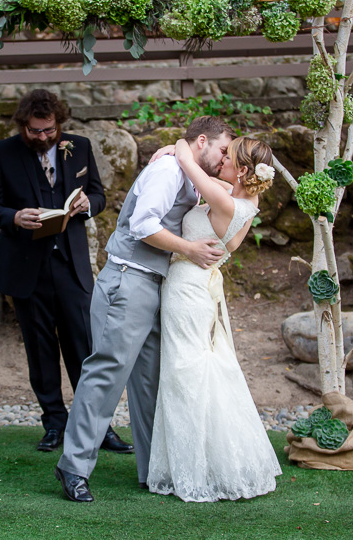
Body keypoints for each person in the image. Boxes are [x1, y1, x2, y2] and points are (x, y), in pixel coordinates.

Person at [56, 116, 233, 503]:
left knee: (151, 382)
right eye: (222, 149)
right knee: (106, 375)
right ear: (202, 141)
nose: (225, 158)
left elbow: (232, 190)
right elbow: (142, 225)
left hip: (156, 287)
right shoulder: (168, 171)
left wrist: (179, 147)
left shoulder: (186, 170)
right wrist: (189, 249)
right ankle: (73, 467)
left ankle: (155, 471)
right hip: (128, 281)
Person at [0, 89, 131, 454]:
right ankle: (54, 423)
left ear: (59, 124)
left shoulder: (78, 146)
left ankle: (98, 426)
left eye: (49, 130)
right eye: (35, 131)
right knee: (40, 352)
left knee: (84, 349)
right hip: (25, 268)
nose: (44, 137)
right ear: (23, 126)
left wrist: (85, 205)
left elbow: (99, 195)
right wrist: (15, 217)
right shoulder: (1, 153)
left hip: (71, 265)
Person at [145, 136, 282, 502]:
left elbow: (191, 165)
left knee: (184, 373)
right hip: (200, 288)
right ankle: (209, 461)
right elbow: (211, 178)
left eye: (227, 154)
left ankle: (194, 469)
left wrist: (177, 143)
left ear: (240, 169)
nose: (219, 158)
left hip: (188, 290)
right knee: (202, 370)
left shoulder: (224, 200)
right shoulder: (244, 200)